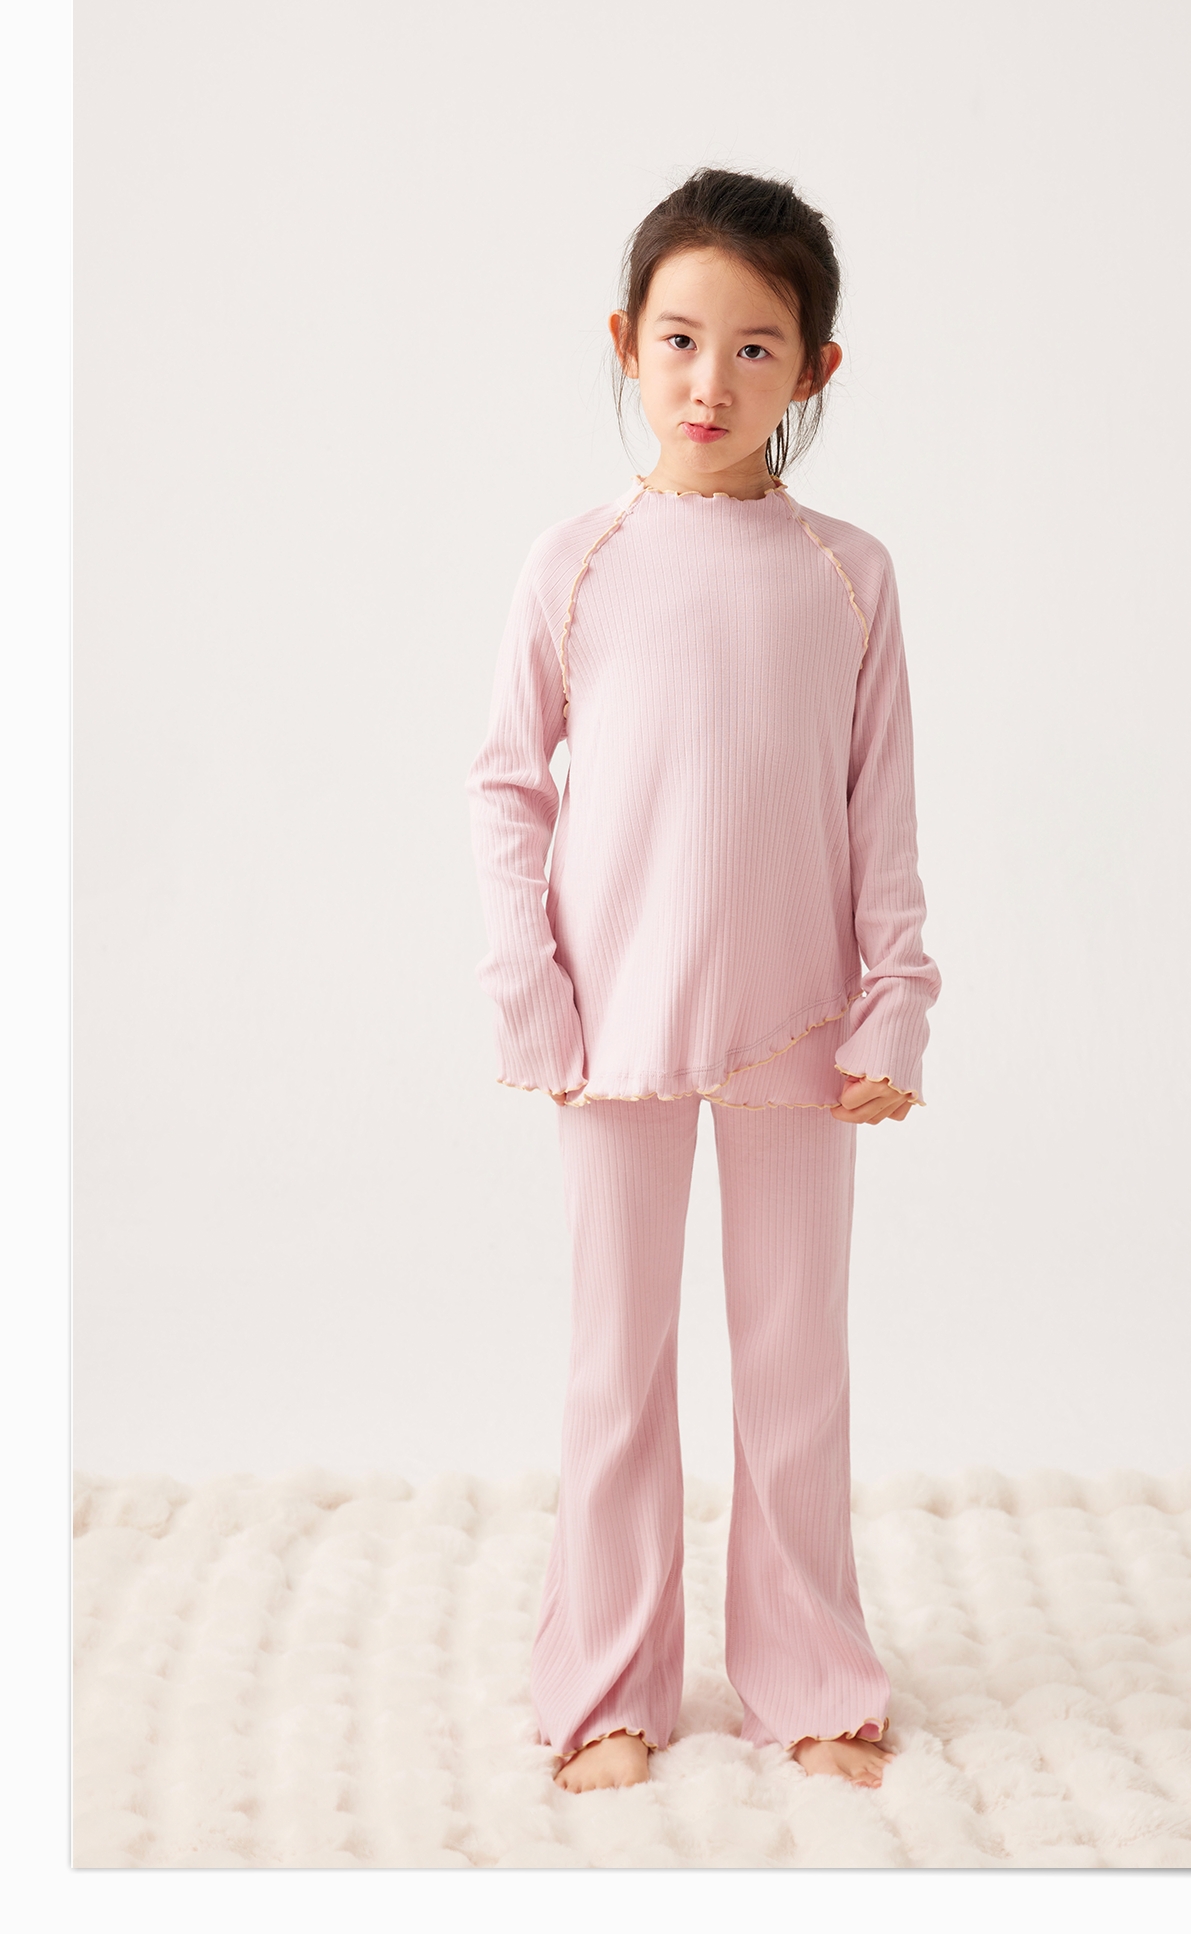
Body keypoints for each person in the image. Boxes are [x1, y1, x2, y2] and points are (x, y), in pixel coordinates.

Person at [465, 167, 941, 1795]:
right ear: (625, 341)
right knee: (618, 1364)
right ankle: (607, 1683)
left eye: (754, 348)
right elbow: (507, 785)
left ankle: (811, 1673)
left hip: (804, 1025)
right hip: (612, 1025)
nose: (710, 381)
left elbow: (883, 806)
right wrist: (529, 990)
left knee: (796, 1364)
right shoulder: (575, 562)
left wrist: (896, 1004)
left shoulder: (850, 572)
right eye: (679, 340)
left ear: (813, 370)